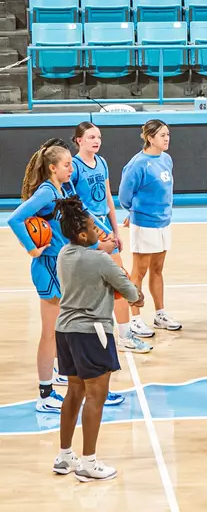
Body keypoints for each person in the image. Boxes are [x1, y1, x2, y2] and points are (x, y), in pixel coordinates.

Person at [7, 140, 115, 413]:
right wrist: (32, 248)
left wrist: (106, 231)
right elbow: (15, 219)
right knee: (51, 333)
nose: (71, 168)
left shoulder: (64, 187)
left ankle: (72, 379)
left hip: (64, 266)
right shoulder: (45, 192)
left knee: (66, 330)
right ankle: (45, 394)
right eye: (67, 165)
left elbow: (83, 213)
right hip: (47, 267)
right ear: (53, 168)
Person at [52, 196, 143, 482]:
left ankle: (65, 457)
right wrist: (137, 292)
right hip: (92, 333)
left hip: (64, 331)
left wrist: (102, 249)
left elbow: (91, 254)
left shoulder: (65, 254)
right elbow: (131, 294)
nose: (99, 231)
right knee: (96, 396)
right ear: (82, 234)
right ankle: (88, 463)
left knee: (74, 392)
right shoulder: (101, 261)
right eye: (94, 227)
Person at [70, 122, 152, 354]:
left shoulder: (102, 162)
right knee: (87, 285)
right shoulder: (74, 167)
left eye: (99, 137)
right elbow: (76, 206)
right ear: (79, 140)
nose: (96, 141)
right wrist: (98, 229)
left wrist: (115, 231)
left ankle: (125, 334)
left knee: (118, 281)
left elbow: (108, 199)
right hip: (86, 231)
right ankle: (85, 338)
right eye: (90, 137)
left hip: (105, 228)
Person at [119, 119, 181, 332]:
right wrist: (134, 212)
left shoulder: (167, 159)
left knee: (158, 268)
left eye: (168, 134)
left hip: (164, 221)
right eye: (162, 135)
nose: (167, 139)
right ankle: (135, 318)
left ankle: (160, 314)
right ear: (150, 138)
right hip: (144, 223)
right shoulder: (137, 164)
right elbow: (125, 195)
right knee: (140, 271)